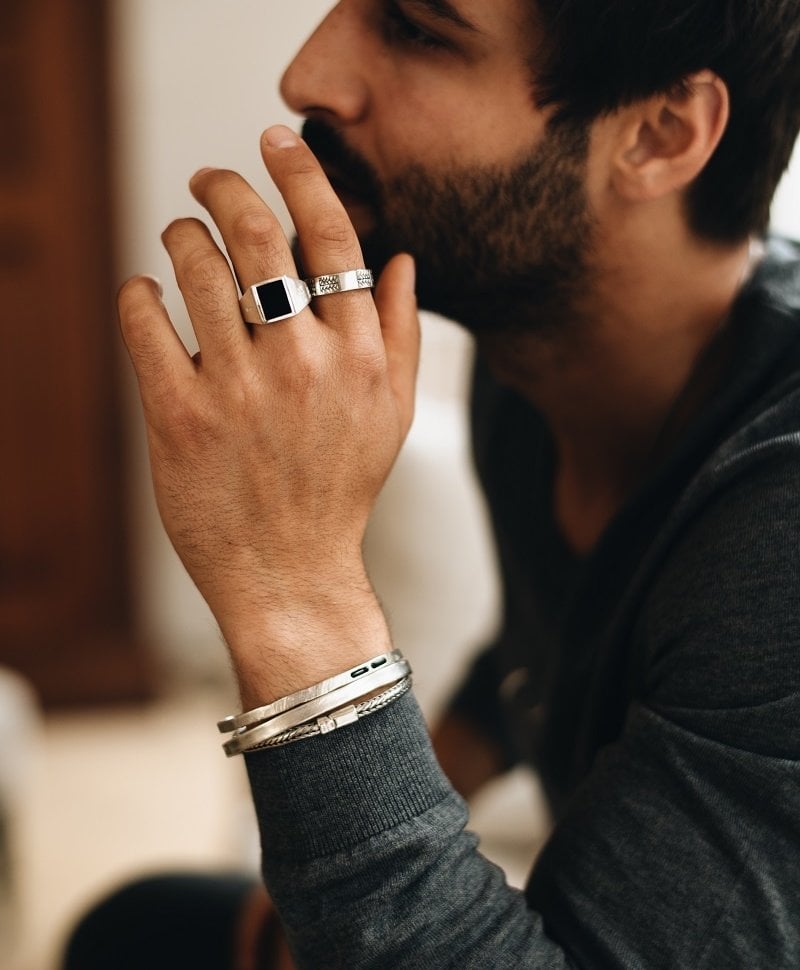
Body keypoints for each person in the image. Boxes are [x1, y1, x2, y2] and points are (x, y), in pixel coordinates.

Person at [65, 0, 800, 967]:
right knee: (135, 929)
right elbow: (554, 640)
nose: (309, 74)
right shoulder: (533, 358)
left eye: (416, 30)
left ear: (659, 134)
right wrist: (443, 765)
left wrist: (294, 591)